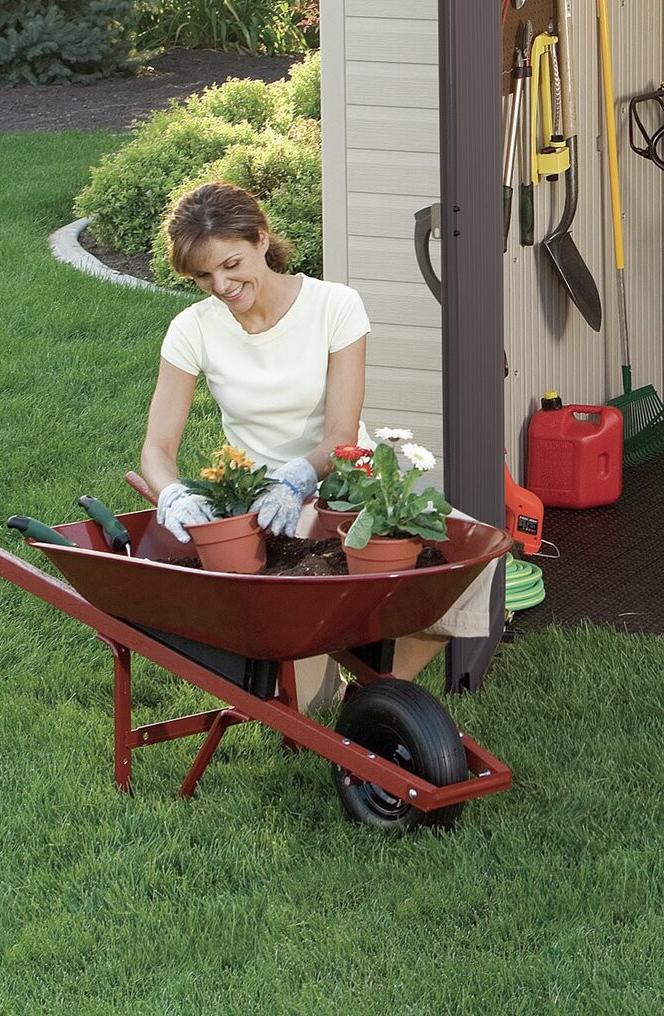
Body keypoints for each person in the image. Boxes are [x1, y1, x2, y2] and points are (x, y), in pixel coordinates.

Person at [126, 181, 465, 686]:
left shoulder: (334, 306)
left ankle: (377, 694)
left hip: (349, 482)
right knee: (304, 684)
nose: (222, 286)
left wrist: (298, 478)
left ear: (261, 239)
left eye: (231, 264)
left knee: (464, 567)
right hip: (260, 505)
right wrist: (171, 493)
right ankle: (352, 693)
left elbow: (341, 432)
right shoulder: (192, 329)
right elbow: (157, 448)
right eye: (203, 275)